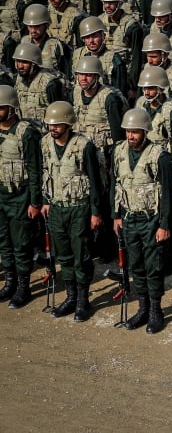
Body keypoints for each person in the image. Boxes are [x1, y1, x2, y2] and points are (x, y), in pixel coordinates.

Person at [111, 108, 172, 334]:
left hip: (151, 220)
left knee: (153, 266)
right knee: (136, 265)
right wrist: (116, 215)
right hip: (129, 217)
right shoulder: (118, 152)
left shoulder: (160, 156)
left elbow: (168, 194)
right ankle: (143, 308)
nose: (131, 136)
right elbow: (115, 184)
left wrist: (165, 225)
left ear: (145, 131)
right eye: (128, 131)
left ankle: (157, 311)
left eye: (135, 132)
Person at [40, 101, 102, 321]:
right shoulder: (45, 143)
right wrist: (45, 201)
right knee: (64, 256)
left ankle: (83, 301)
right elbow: (45, 172)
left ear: (68, 124)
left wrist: (96, 212)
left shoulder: (84, 145)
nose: (52, 128)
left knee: (81, 257)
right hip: (57, 208)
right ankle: (71, 296)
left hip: (79, 209)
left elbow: (95, 181)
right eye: (50, 124)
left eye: (57, 124)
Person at [137, 65, 172, 275]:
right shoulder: (141, 106)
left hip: (168, 168)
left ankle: (166, 259)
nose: (146, 92)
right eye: (144, 88)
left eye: (151, 88)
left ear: (161, 88)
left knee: (168, 215)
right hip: (147, 168)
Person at [0, 85, 42, 309]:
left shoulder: (26, 132)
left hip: (20, 197)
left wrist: (35, 201)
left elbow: (35, 169)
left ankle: (23, 287)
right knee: (3, 242)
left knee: (21, 244)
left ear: (12, 108)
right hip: (0, 196)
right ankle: (10, 281)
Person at [71, 16, 130, 98]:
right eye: (87, 37)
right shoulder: (78, 55)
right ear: (83, 39)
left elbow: (120, 93)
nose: (91, 41)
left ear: (103, 36)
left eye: (95, 36)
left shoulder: (114, 60)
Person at [98, 0, 144, 92]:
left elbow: (136, 58)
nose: (107, 6)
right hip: (101, 74)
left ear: (119, 4)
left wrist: (133, 86)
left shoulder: (132, 27)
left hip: (123, 77)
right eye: (105, 3)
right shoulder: (99, 22)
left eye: (111, 3)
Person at [13, 42, 67, 122]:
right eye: (18, 61)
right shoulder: (16, 80)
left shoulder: (50, 84)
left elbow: (59, 115)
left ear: (34, 64)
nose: (20, 66)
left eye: (25, 62)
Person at [21, 3, 71, 74]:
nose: (33, 31)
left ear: (46, 25)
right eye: (30, 26)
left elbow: (66, 74)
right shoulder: (24, 42)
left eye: (37, 26)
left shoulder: (56, 46)